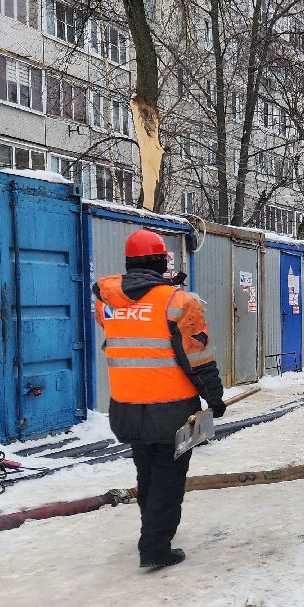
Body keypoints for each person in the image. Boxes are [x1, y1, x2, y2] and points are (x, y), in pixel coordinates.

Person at [93, 229, 224, 570]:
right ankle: (155, 546)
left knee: (147, 474)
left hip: (125, 409)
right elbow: (198, 358)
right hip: (173, 410)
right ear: (162, 261)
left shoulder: (106, 301)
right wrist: (215, 398)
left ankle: (154, 530)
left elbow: (129, 327)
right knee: (169, 478)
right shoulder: (179, 303)